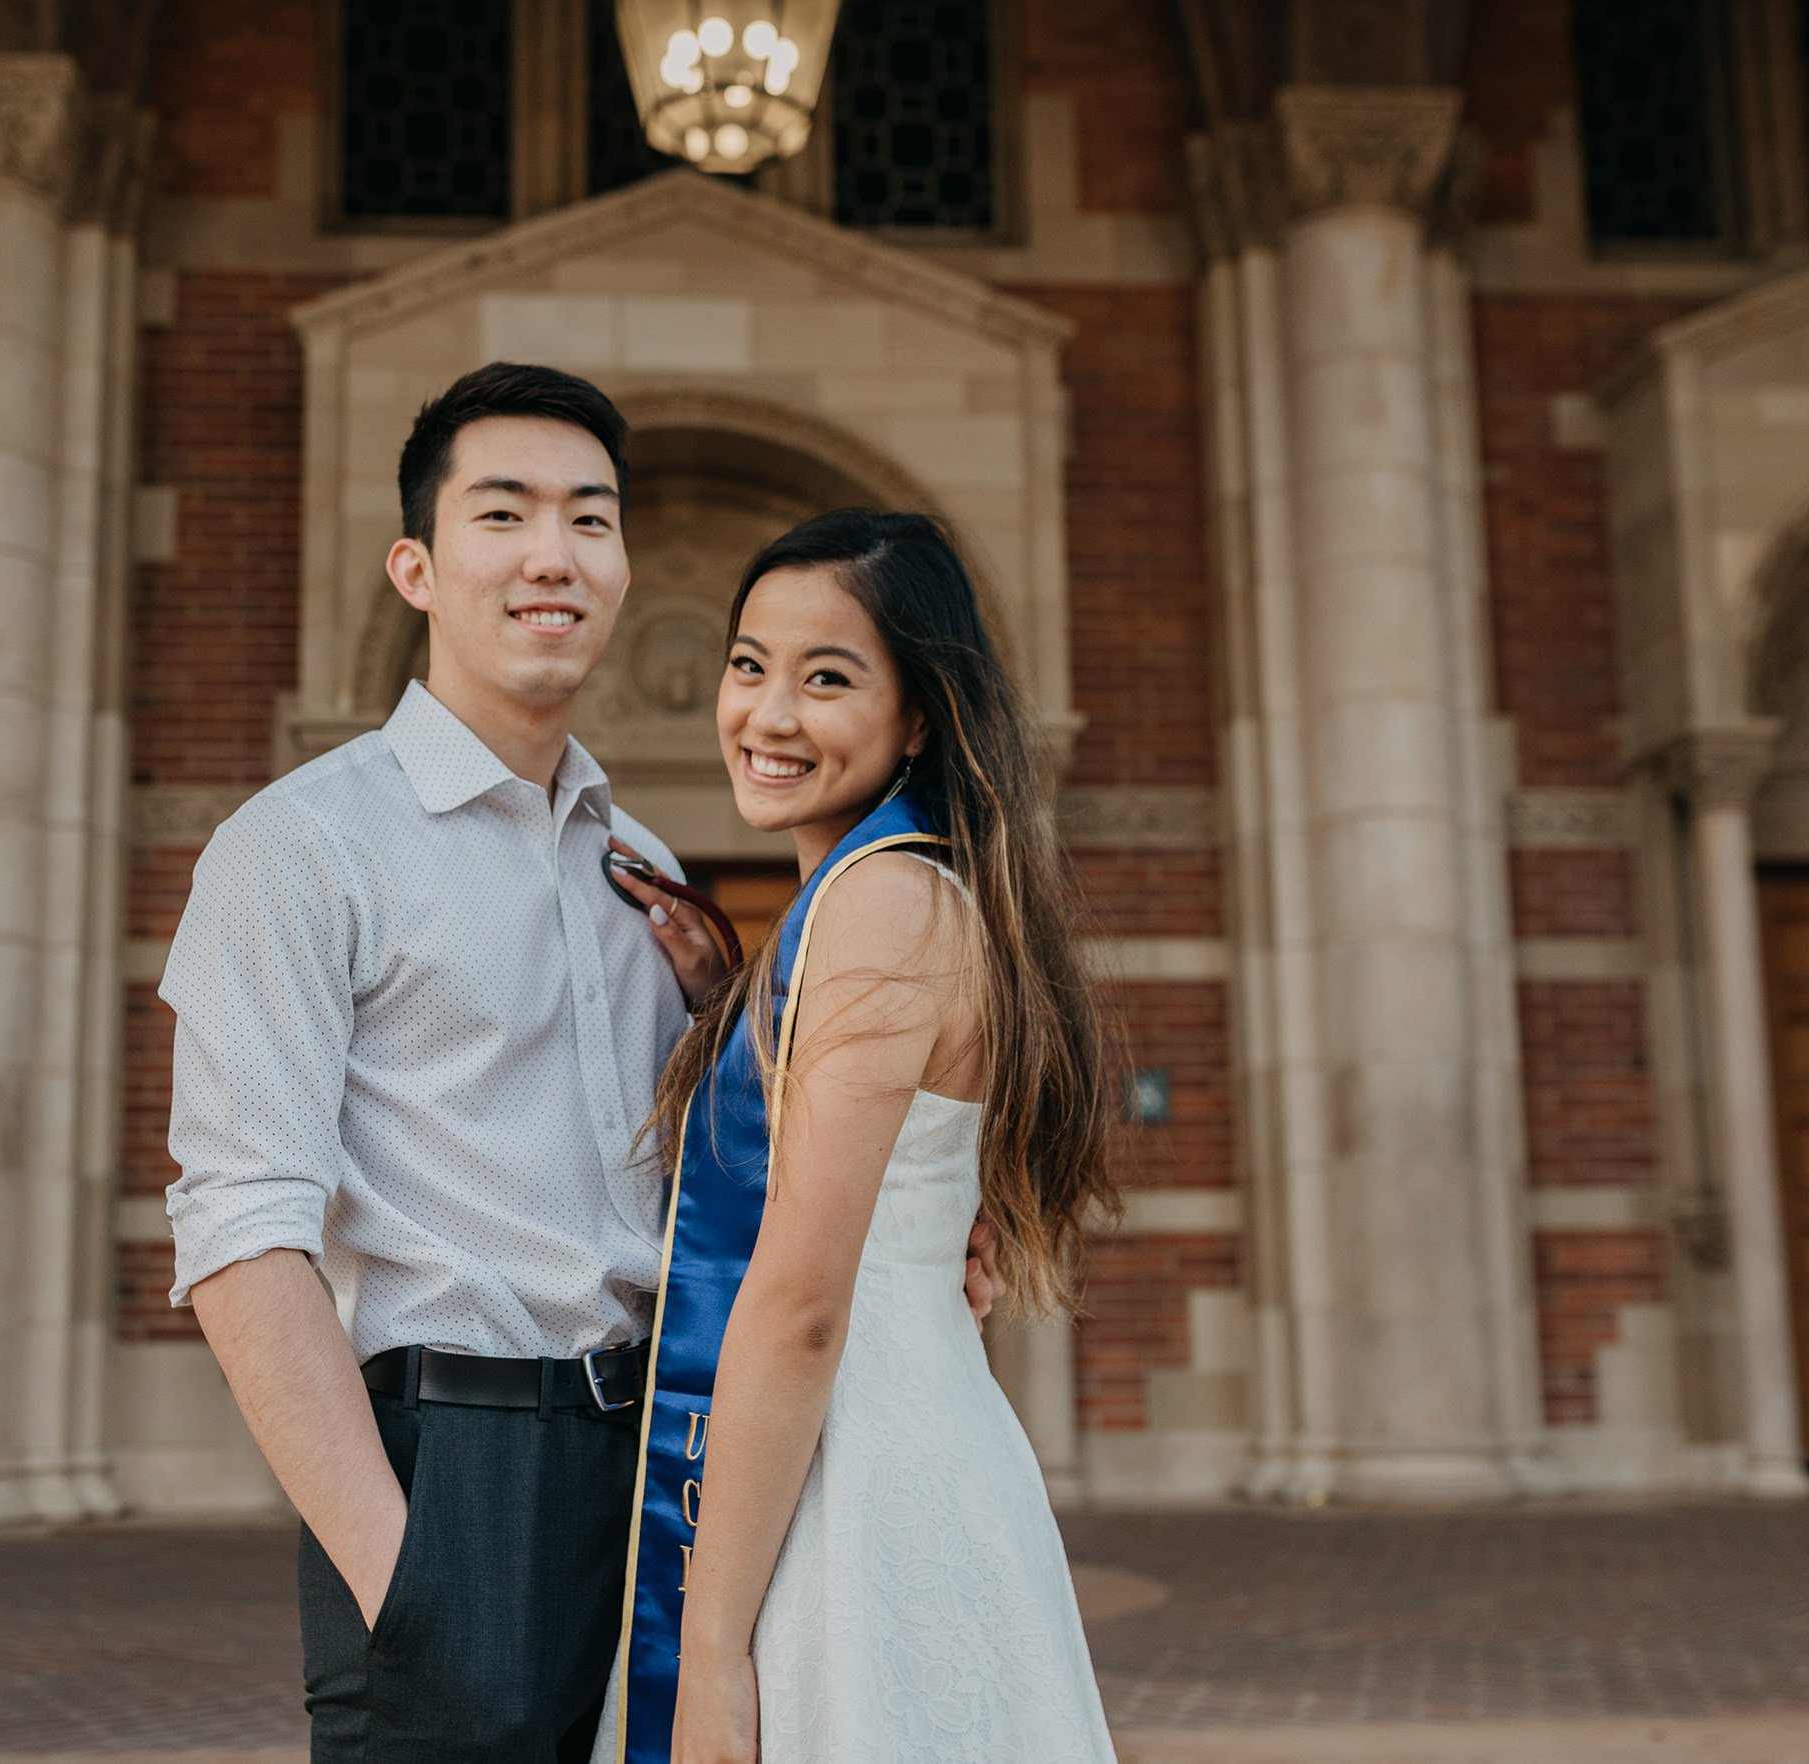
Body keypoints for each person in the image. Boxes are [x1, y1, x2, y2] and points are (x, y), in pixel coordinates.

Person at [158, 366, 1005, 1763]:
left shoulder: (647, 875)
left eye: (591, 520)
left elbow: (724, 1196)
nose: (555, 553)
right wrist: (405, 1580)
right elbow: (241, 1234)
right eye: (506, 514)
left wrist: (934, 1210)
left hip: (660, 1471)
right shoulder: (300, 850)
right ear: (417, 567)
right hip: (454, 1478)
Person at [595, 510, 1121, 1764]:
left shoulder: (882, 905)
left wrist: (711, 1655)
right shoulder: (887, 896)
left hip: (851, 1479)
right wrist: (739, 1009)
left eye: (827, 677)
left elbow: (800, 1303)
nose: (768, 714)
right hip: (876, 1441)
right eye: (747, 663)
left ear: (921, 715)